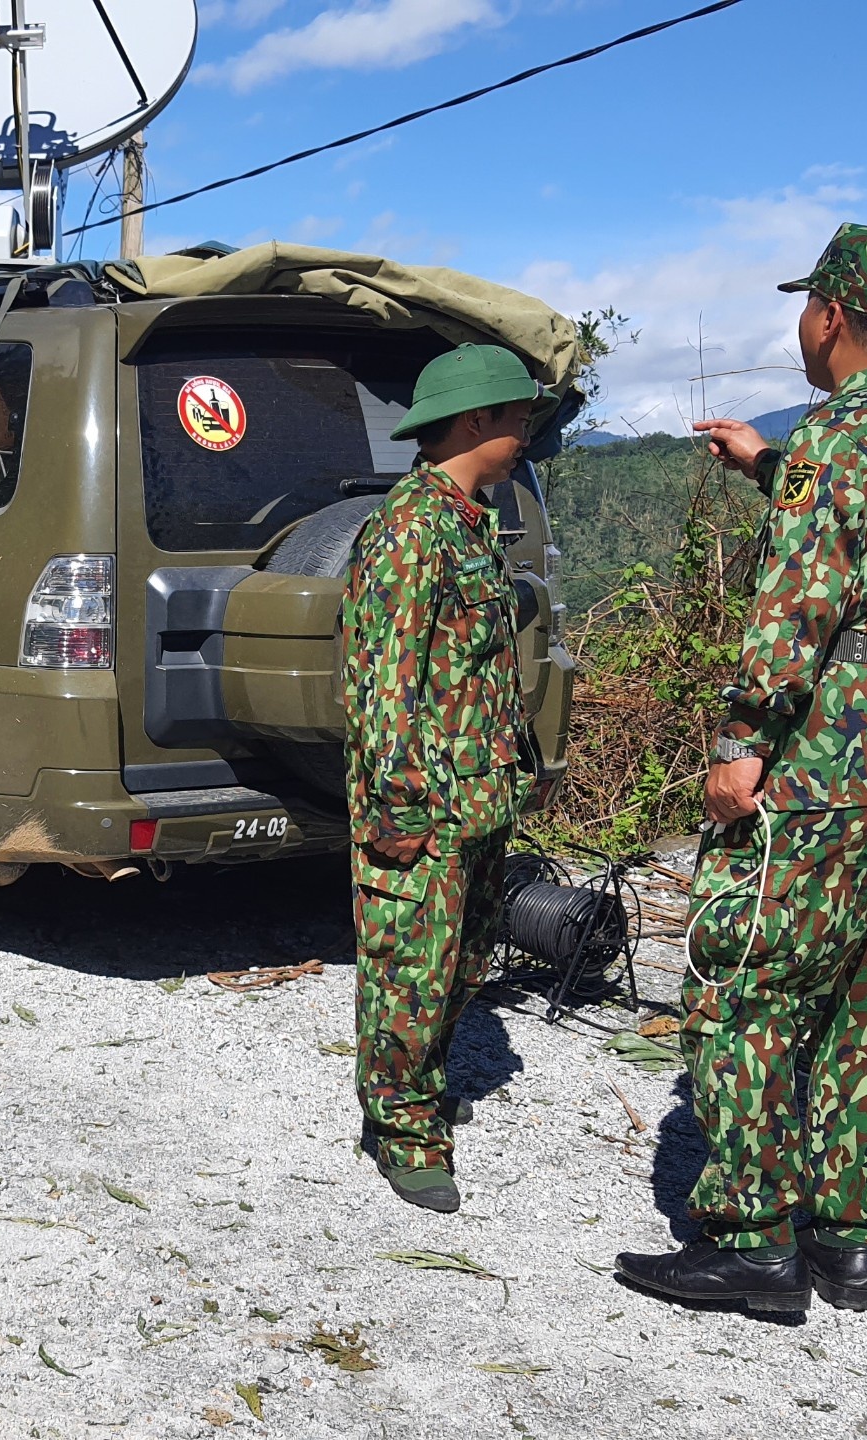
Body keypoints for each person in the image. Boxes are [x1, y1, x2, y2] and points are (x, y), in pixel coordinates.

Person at [616, 225, 867, 1315]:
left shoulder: (840, 433)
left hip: (842, 741)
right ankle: (844, 1237)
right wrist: (770, 466)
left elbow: (803, 602)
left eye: (806, 307)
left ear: (830, 314)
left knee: (751, 981)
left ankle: (749, 1241)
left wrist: (741, 744)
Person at [341, 344, 541, 1215]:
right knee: (410, 971)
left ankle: (416, 1085)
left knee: (461, 964)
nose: (526, 431)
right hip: (423, 800)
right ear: (474, 423)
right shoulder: (409, 529)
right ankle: (402, 1128)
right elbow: (383, 678)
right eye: (516, 417)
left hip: (479, 794)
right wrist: (397, 805)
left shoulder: (470, 520)